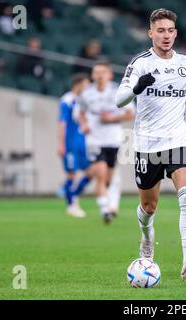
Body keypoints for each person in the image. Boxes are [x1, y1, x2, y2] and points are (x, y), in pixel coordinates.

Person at [115, 8, 186, 280]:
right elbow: (118, 99)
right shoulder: (140, 63)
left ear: (175, 33)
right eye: (160, 31)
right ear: (150, 33)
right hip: (146, 144)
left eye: (170, 31)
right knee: (149, 207)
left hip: (178, 138)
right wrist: (136, 88)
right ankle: (146, 239)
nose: (166, 36)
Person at [79, 63, 135, 224]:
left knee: (108, 177)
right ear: (92, 75)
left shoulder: (118, 91)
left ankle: (108, 202)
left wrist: (112, 119)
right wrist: (83, 124)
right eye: (96, 72)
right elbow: (81, 113)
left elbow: (130, 113)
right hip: (94, 140)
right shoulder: (86, 93)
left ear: (110, 75)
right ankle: (105, 210)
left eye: (103, 72)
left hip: (113, 139)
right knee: (100, 173)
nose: (100, 75)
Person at [58, 73, 92, 218]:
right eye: (86, 84)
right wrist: (61, 144)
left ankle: (71, 195)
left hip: (84, 144)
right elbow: (62, 123)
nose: (88, 87)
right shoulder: (67, 100)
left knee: (91, 173)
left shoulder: (85, 100)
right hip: (70, 144)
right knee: (71, 174)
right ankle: (71, 205)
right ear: (78, 84)